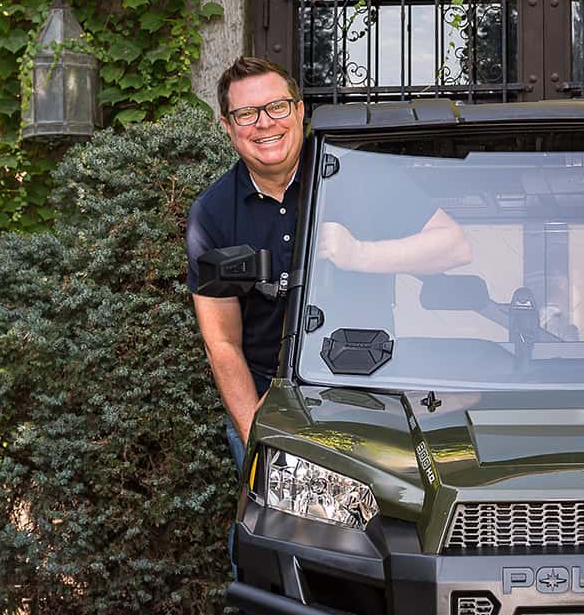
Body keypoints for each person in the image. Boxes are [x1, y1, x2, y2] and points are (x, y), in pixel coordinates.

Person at [188, 56, 471, 471]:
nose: (264, 123)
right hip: (271, 404)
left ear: (300, 111)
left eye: (277, 107)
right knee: (270, 530)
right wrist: (256, 434)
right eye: (246, 114)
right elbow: (222, 342)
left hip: (368, 393)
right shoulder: (212, 213)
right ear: (227, 127)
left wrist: (361, 255)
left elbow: (455, 246)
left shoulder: (364, 179)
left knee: (369, 529)